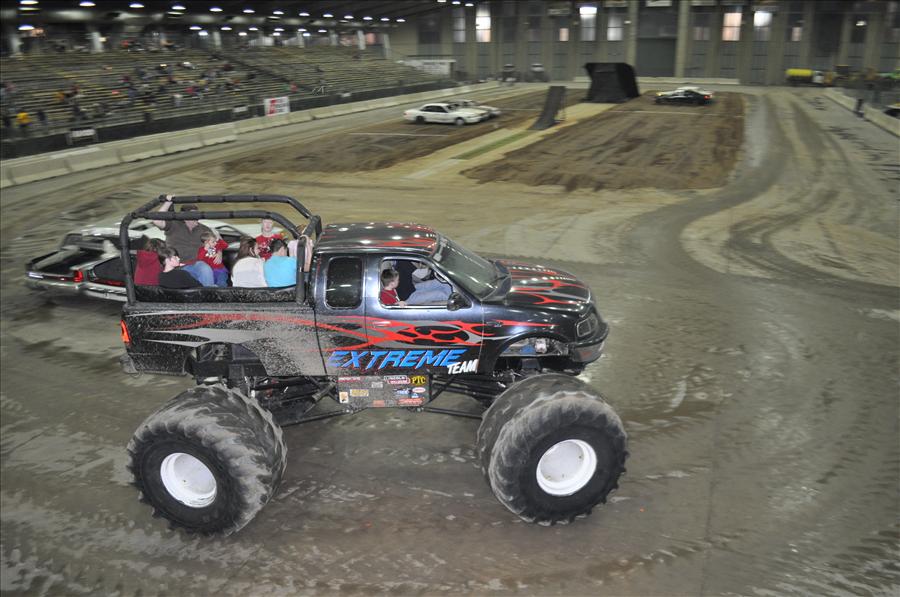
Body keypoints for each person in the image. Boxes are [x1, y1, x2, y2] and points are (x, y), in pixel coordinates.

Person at [151, 199, 215, 286]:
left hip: (197, 264)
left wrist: (216, 252)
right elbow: (156, 221)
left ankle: (208, 292)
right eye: (193, 215)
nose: (197, 217)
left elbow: (213, 247)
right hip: (176, 266)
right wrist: (168, 202)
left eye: (198, 214)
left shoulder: (204, 229)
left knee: (205, 268)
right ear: (184, 216)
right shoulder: (173, 225)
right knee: (202, 270)